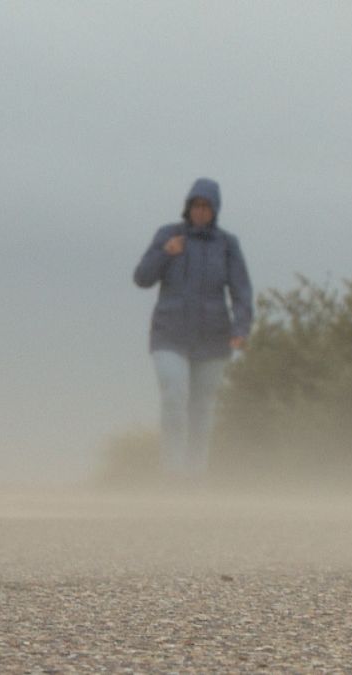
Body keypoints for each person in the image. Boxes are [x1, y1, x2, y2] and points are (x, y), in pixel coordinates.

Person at [133, 177, 252, 482]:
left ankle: (194, 478)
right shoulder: (168, 235)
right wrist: (165, 253)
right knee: (175, 395)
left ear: (215, 210)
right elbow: (142, 278)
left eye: (206, 206)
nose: (200, 212)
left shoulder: (227, 244)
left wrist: (241, 327)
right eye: (196, 205)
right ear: (188, 207)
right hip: (170, 334)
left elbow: (241, 290)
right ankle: (172, 474)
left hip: (213, 338)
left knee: (202, 410)